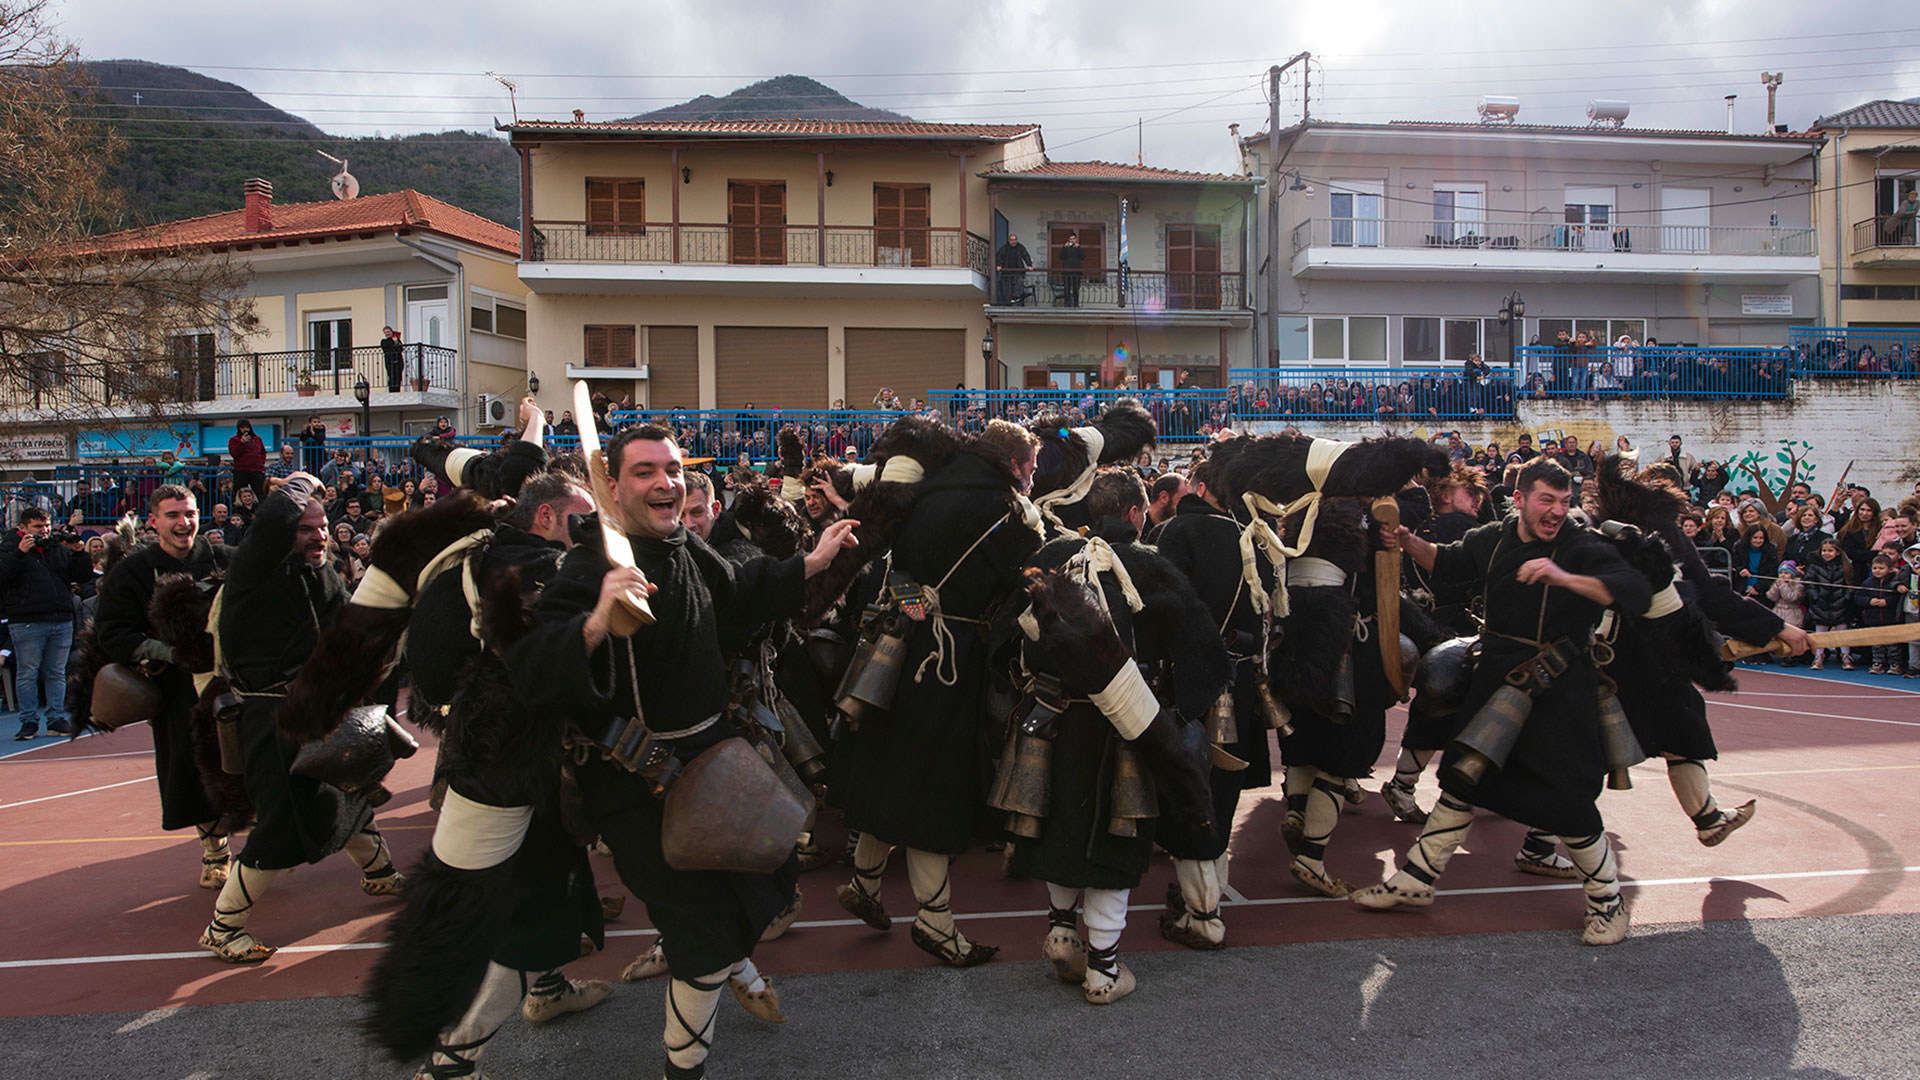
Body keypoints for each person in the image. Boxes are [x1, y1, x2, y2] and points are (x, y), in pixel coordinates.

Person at [504, 423, 858, 1080]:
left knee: (771, 876)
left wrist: (811, 563)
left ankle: (729, 969)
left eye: (671, 469)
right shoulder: (589, 570)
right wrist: (595, 623)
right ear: (613, 485)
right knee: (703, 935)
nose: (665, 482)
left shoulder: (684, 544)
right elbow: (532, 672)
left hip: (711, 757)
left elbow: (735, 591)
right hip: (636, 783)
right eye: (644, 472)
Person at [1352, 460, 1652, 946]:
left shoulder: (1580, 545)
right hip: (1496, 676)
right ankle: (1416, 881)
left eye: (1563, 501)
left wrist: (1563, 577)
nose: (1557, 511)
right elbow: (1446, 561)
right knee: (1462, 778)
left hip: (1558, 688)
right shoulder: (1493, 538)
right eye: (1546, 501)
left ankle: (1607, 902)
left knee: (1567, 799)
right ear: (1519, 500)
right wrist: (1407, 543)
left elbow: (1632, 592)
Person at [1000, 469, 1229, 1004]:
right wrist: (1184, 713)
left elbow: (1005, 636)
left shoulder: (1050, 555)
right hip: (1128, 724)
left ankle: (1061, 931)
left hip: (1051, 716)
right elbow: (1202, 649)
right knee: (1113, 838)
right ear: (1135, 513)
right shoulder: (1149, 565)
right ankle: (1103, 970)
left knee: (1059, 821)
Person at [835, 419, 1044, 968]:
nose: (1035, 477)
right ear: (1017, 466)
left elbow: (898, 571)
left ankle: (865, 884)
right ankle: (935, 920)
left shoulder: (922, 492)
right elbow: (1024, 592)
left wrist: (919, 613)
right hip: (953, 666)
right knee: (937, 783)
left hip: (899, 651)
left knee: (891, 766)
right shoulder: (1009, 513)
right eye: (1033, 467)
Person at [197, 471, 405, 964]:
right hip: (270, 718)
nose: (320, 536)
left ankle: (380, 874)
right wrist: (301, 483)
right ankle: (224, 927)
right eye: (306, 528)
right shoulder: (255, 569)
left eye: (323, 526)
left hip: (315, 711)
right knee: (283, 823)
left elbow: (342, 629)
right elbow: (271, 523)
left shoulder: (321, 572)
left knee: (346, 795)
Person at [1143, 458, 1274, 948]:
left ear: (1200, 488)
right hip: (1239, 676)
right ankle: (1209, 890)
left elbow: (1162, 610)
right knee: (1224, 790)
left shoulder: (1179, 531)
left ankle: (1202, 915)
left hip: (1187, 681)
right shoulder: (1257, 539)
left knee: (1188, 793)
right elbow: (1268, 619)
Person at [90, 485, 235, 886]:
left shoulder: (226, 558)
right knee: (190, 770)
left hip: (239, 683)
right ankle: (215, 853)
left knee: (253, 760)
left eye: (189, 514)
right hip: (177, 693)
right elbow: (112, 631)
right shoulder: (133, 572)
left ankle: (265, 845)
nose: (183, 523)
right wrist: (169, 653)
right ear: (153, 522)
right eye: (172, 515)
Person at [3, 507, 87, 739]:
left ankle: (56, 719)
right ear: (23, 528)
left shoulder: (55, 548)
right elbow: (3, 575)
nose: (45, 530)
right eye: (38, 527)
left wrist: (79, 553)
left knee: (56, 673)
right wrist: (20, 553)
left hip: (60, 618)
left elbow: (82, 575)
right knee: (28, 673)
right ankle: (29, 721)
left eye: (47, 525)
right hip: (27, 620)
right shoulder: (10, 547)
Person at [1802, 538, 1853, 670]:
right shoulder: (1815, 566)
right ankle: (1819, 656)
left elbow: (1849, 585)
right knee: (1820, 633)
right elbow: (1809, 583)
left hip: (1840, 605)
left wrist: (1845, 598)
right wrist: (1815, 597)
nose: (1827, 553)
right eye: (1824, 550)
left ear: (1838, 552)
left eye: (1830, 551)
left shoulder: (1845, 566)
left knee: (1843, 632)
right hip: (1820, 604)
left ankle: (1846, 656)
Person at [1856, 554, 1904, 674]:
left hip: (1891, 620)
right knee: (1877, 645)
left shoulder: (1894, 582)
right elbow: (1858, 597)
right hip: (1874, 619)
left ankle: (1895, 663)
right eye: (1875, 568)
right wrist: (1869, 601)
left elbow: (1898, 598)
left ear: (1890, 569)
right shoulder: (1867, 582)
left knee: (1893, 645)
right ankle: (1878, 662)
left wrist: (1887, 602)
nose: (1877, 571)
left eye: (1881, 568)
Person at [227, 419, 267, 503]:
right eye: (242, 428)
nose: (245, 430)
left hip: (256, 470)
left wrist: (261, 462)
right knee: (239, 493)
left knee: (260, 493)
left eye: (247, 427)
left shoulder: (257, 439)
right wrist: (241, 443)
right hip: (241, 470)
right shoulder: (233, 440)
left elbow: (263, 452)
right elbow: (234, 453)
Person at [995, 232, 1034, 305]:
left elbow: (1025, 255)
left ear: (1017, 240)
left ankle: (1017, 297)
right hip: (1007, 272)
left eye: (1015, 240)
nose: (1013, 241)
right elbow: (999, 256)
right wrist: (998, 265)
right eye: (1012, 240)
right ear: (1009, 241)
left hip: (1018, 271)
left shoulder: (1020, 247)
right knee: (1007, 287)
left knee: (1019, 283)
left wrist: (1029, 265)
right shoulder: (1005, 248)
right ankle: (1009, 301)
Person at [1057, 230, 1085, 307]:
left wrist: (1079, 248)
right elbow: (1061, 257)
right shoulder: (1066, 248)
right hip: (1067, 272)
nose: (1072, 241)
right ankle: (1066, 304)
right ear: (1068, 240)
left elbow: (1083, 257)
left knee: (1076, 289)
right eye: (1070, 239)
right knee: (1067, 288)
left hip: (1077, 272)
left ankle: (1076, 304)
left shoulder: (1078, 248)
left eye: (1073, 239)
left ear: (1076, 239)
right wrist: (1064, 247)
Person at [380, 326, 405, 393]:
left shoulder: (397, 340)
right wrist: (393, 341)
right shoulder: (384, 341)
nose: (387, 333)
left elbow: (401, 349)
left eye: (388, 332)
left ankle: (397, 390)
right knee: (391, 376)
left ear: (391, 332)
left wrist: (396, 342)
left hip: (398, 361)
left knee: (398, 377)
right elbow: (385, 347)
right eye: (386, 332)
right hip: (389, 362)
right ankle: (391, 391)